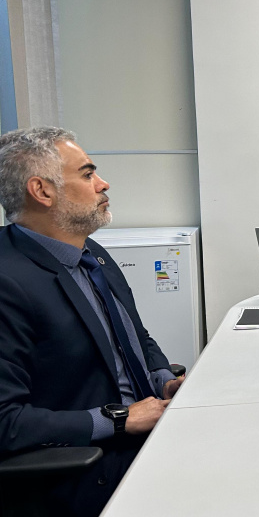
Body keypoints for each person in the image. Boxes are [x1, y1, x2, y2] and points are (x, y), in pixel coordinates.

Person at [0, 127, 183, 515]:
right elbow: (6, 422)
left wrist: (163, 380)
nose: (103, 183)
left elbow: (134, 336)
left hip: (147, 436)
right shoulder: (7, 282)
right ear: (42, 191)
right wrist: (118, 420)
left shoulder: (89, 251)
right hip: (87, 471)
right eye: (87, 174)